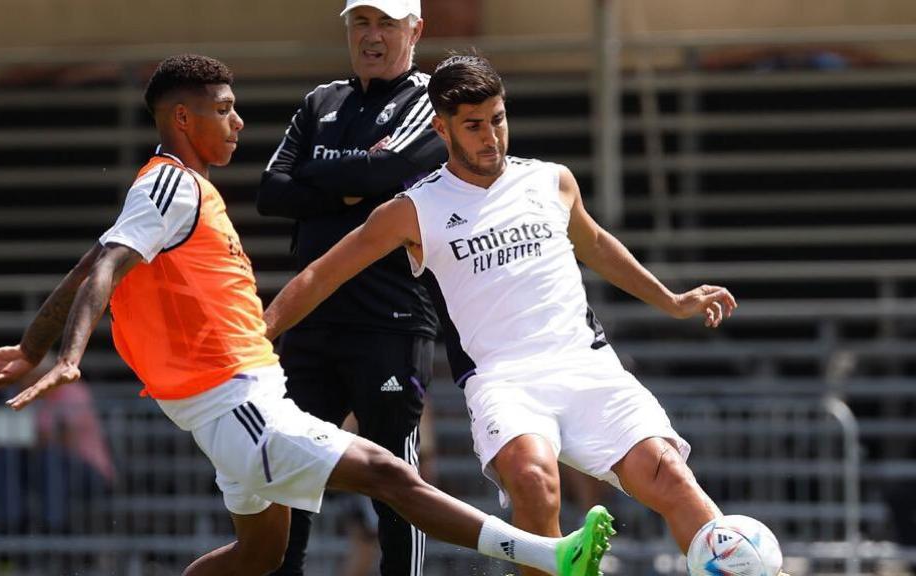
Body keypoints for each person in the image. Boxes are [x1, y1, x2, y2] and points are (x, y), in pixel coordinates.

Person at [0, 54, 612, 576]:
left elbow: (86, 264)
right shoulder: (168, 184)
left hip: (244, 402)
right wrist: (66, 355)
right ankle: (548, 554)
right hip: (238, 405)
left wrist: (29, 348)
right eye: (224, 110)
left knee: (259, 556)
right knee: (390, 473)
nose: (239, 122)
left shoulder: (179, 190)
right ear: (183, 120)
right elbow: (102, 266)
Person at [261, 54, 756, 576]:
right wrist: (262, 331)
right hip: (504, 380)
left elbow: (598, 245)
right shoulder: (413, 209)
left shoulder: (552, 181)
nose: (490, 136)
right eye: (473, 126)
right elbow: (322, 274)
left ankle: (746, 569)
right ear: (441, 127)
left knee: (672, 477)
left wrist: (673, 301)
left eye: (497, 119)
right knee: (534, 479)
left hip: (587, 367)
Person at [256, 0, 448, 574]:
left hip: (388, 319)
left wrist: (328, 177)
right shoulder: (321, 101)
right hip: (312, 321)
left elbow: (374, 175)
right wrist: (351, 185)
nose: (371, 35)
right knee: (285, 469)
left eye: (386, 23)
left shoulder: (428, 98)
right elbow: (271, 191)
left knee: (393, 480)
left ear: (416, 29)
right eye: (360, 22)